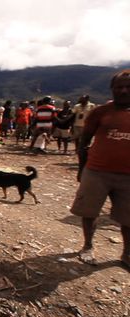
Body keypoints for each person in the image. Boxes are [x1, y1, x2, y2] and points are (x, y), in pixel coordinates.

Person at [71, 69, 130, 269]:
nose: (123, 91)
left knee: (127, 217)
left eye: (127, 87)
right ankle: (87, 246)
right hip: (97, 172)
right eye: (118, 87)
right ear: (112, 89)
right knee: (89, 211)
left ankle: (127, 254)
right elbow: (84, 141)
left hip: (127, 176)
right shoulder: (100, 112)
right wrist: (82, 168)